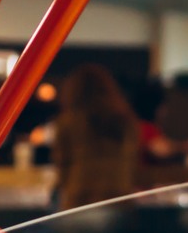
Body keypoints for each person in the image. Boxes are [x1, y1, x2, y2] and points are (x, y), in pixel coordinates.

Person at [50, 64, 142, 209]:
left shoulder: (68, 122)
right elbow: (132, 162)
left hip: (79, 203)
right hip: (119, 205)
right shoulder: (125, 120)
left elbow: (62, 166)